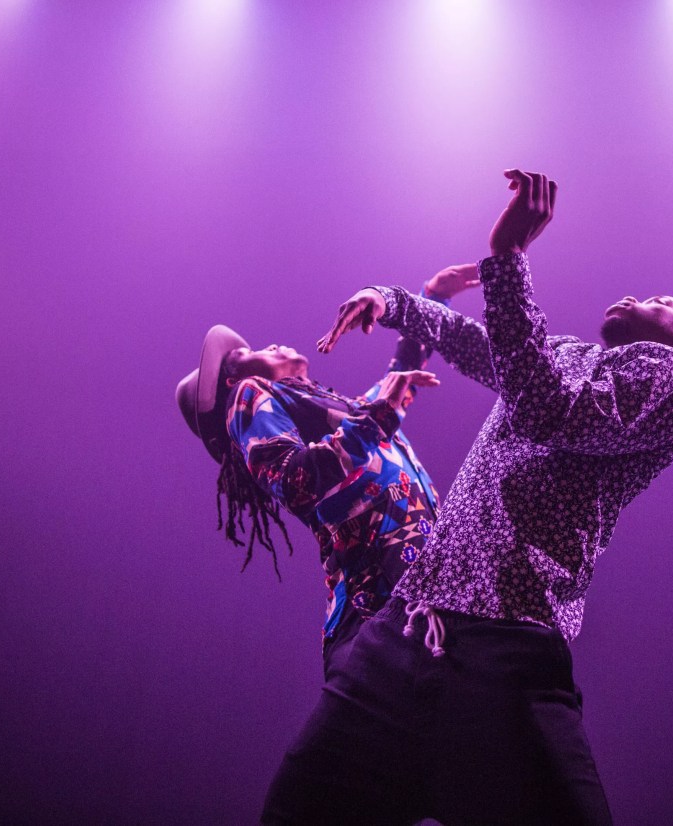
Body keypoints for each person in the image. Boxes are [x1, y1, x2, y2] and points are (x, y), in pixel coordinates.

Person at [253, 168, 673, 826]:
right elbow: (484, 346)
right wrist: (393, 302)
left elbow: (546, 409)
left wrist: (507, 257)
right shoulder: (564, 353)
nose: (634, 295)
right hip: (404, 634)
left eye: (659, 299)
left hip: (503, 654)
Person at [174, 267, 476, 719]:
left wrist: (432, 298)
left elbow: (397, 381)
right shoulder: (249, 396)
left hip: (419, 607)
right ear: (234, 381)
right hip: (378, 617)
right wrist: (377, 416)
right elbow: (294, 480)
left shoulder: (337, 412)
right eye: (250, 353)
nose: (271, 343)